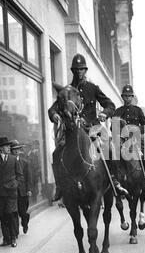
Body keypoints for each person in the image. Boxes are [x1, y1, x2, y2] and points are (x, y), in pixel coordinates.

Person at [48, 53, 128, 201]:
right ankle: (60, 187)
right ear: (72, 71)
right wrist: (54, 115)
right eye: (76, 69)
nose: (79, 72)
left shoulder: (93, 88)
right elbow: (52, 109)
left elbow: (110, 104)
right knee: (56, 154)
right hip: (73, 132)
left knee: (110, 148)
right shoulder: (67, 90)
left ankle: (115, 180)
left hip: (93, 128)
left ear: (86, 70)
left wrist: (105, 113)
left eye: (82, 69)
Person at [113, 85, 145, 195]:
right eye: (125, 96)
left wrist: (135, 131)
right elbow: (112, 128)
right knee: (114, 157)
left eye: (129, 96)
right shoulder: (118, 111)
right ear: (122, 97)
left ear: (132, 97)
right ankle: (115, 181)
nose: (127, 98)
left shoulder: (137, 110)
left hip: (136, 140)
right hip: (122, 141)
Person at [0, 137, 23, 248]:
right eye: (5, 146)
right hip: (0, 193)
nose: (8, 148)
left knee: (11, 214)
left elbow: (20, 175)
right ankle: (6, 238)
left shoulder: (14, 159)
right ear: (0, 149)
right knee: (3, 215)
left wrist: (16, 184)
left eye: (8, 146)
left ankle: (13, 238)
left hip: (12, 192)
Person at [10, 140, 32, 235]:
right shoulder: (9, 162)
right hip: (13, 191)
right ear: (11, 151)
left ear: (20, 150)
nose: (16, 151)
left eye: (17, 149)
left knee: (23, 212)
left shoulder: (25, 162)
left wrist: (29, 189)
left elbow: (28, 177)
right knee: (14, 212)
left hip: (23, 191)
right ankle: (15, 232)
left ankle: (25, 221)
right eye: (14, 150)